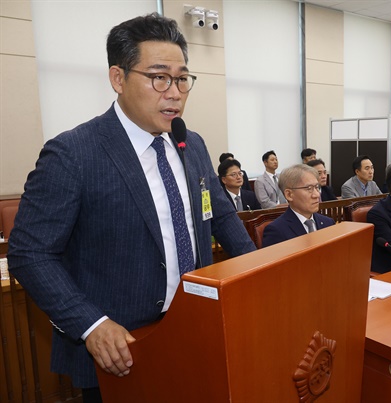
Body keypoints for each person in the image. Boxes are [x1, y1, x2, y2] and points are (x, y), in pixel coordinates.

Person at [7, 14, 256, 401]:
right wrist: (91, 325)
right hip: (122, 348)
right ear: (118, 79)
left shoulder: (193, 144)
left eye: (181, 79)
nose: (173, 92)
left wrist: (260, 272)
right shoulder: (74, 153)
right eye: (158, 77)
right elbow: (30, 252)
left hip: (196, 331)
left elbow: (218, 214)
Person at [262, 164, 335, 247]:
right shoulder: (276, 231)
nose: (317, 195)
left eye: (316, 187)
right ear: (289, 195)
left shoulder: (328, 223)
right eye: (309, 189)